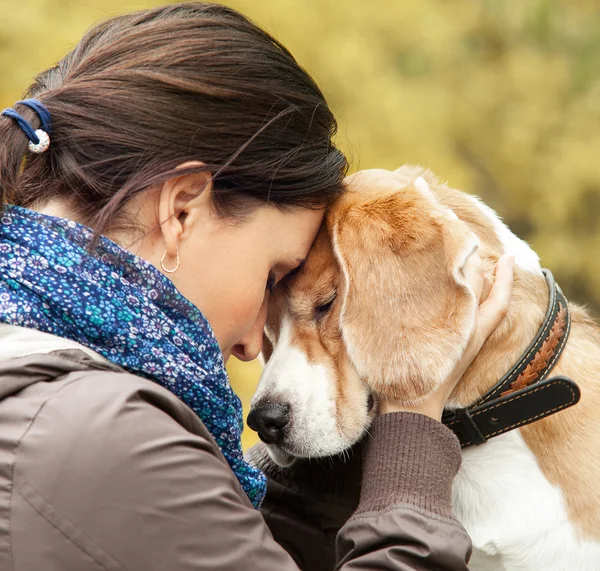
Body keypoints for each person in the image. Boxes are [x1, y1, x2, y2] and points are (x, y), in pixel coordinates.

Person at [0, 3, 513, 570]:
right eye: (272, 276)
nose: (250, 346)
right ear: (182, 210)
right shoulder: (100, 434)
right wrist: (411, 430)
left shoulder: (39, 382)